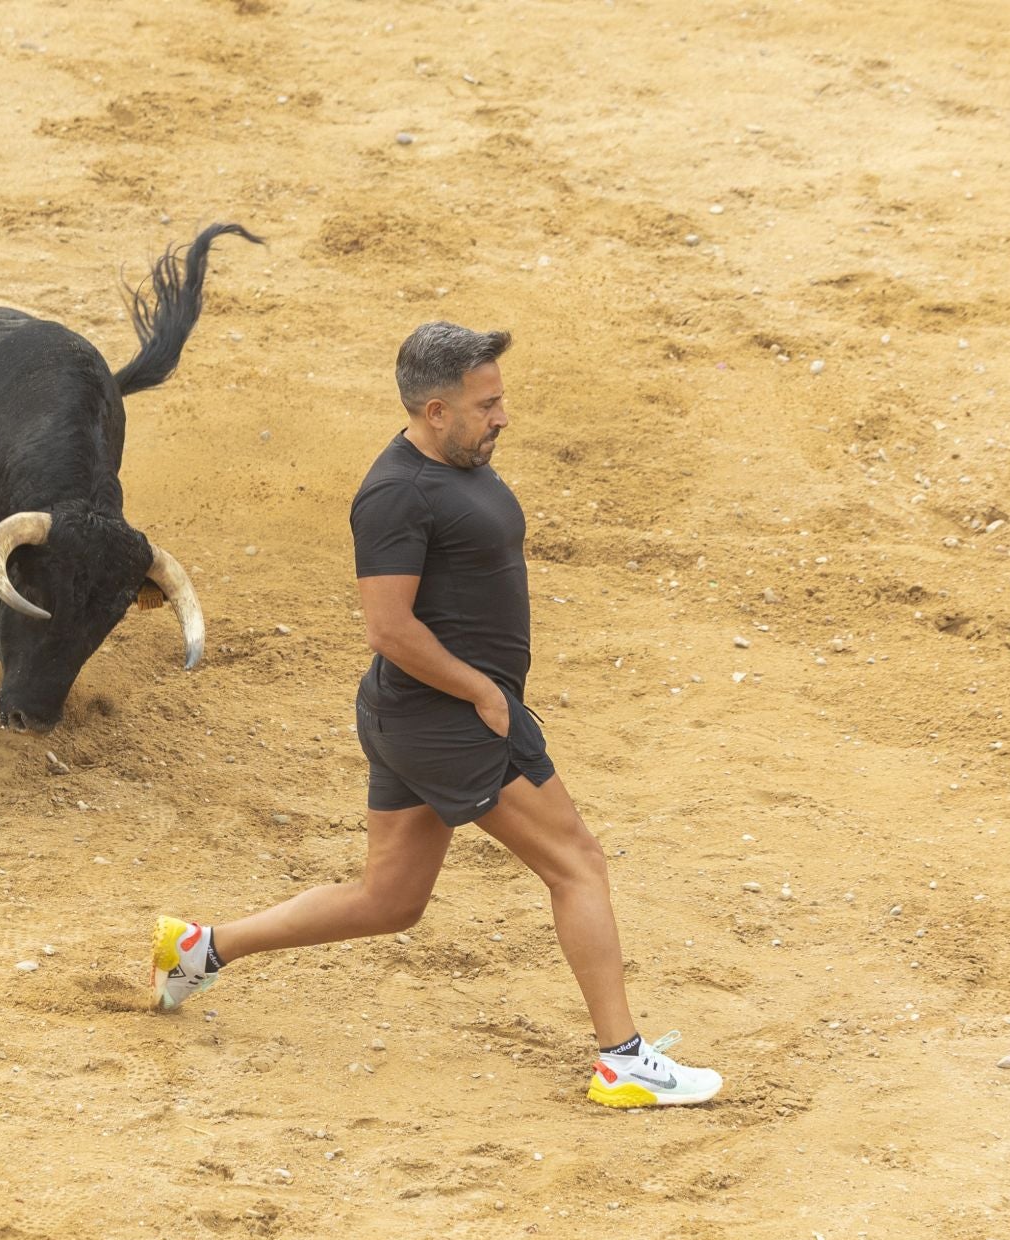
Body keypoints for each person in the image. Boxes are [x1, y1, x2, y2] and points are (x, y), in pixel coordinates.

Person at [150, 321, 722, 1108]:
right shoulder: (396, 494)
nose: (502, 418)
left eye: (500, 400)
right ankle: (622, 1061)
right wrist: (483, 693)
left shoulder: (457, 462)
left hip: (417, 718)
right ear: (435, 411)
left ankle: (199, 950)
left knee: (390, 900)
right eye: (487, 406)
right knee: (578, 862)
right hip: (450, 721)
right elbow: (388, 628)